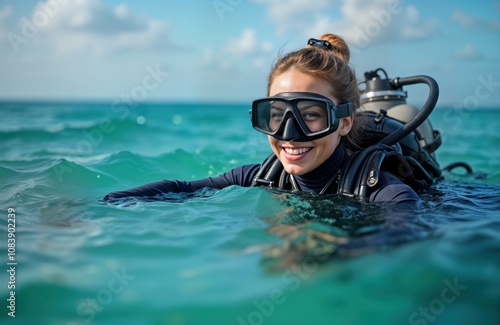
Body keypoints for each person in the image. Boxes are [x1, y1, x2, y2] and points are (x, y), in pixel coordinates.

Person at [103, 33, 419, 204]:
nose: (289, 134)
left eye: (310, 114)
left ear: (345, 121)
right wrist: (103, 205)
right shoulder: (264, 176)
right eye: (277, 115)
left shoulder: (385, 194)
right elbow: (178, 188)